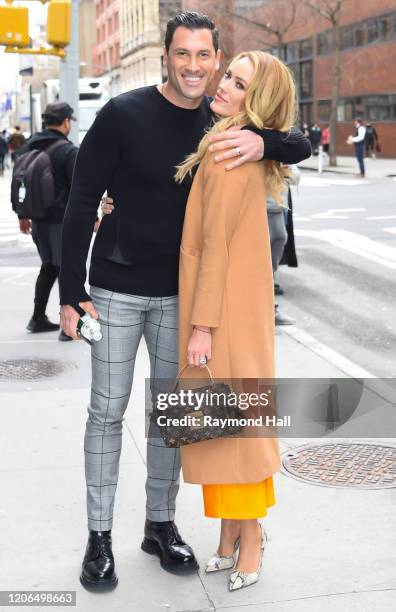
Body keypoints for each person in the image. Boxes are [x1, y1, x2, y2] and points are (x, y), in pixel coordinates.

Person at [59, 11, 311, 591]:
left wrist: (264, 139)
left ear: (216, 60)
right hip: (117, 290)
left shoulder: (223, 118)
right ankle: (99, 537)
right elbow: (80, 201)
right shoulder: (122, 114)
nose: (195, 67)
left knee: (174, 419)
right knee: (106, 412)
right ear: (166, 56)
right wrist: (71, 292)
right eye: (183, 54)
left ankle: (159, 524)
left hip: (185, 296)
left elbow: (292, 137)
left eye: (205, 56)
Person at [175, 49, 296, 591]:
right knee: (220, 427)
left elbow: (213, 250)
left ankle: (250, 538)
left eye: (239, 83)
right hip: (235, 310)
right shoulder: (232, 140)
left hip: (222, 314)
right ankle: (228, 534)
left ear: (259, 100)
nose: (223, 85)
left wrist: (201, 326)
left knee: (235, 431)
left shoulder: (230, 149)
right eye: (229, 75)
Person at [18, 103, 78, 340]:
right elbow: (78, 190)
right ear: (65, 122)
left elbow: (20, 180)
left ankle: (38, 317)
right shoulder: (67, 150)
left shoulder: (28, 145)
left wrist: (22, 214)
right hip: (61, 221)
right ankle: (68, 327)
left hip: (38, 220)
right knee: (68, 270)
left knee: (49, 267)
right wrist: (91, 219)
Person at [267, 165, 300, 324]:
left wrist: (286, 171)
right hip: (261, 208)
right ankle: (268, 311)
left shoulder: (281, 150)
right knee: (261, 266)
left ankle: (270, 310)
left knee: (270, 267)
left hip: (278, 208)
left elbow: (296, 175)